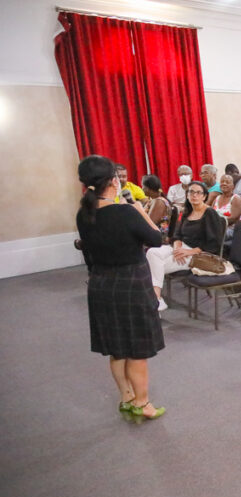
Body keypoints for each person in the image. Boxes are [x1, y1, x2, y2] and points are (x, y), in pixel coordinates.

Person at [76, 155, 166, 420]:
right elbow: (157, 239)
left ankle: (126, 397)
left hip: (100, 284)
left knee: (117, 347)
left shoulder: (84, 214)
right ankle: (143, 403)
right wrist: (139, 210)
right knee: (137, 349)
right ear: (114, 181)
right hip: (131, 283)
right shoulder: (125, 212)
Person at [146, 181, 224, 312]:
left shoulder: (210, 213)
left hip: (199, 254)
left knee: (155, 265)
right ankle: (157, 300)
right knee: (152, 253)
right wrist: (177, 247)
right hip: (181, 247)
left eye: (198, 192)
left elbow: (214, 244)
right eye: (191, 192)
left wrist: (189, 252)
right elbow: (177, 235)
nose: (194, 195)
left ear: (204, 196)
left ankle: (155, 299)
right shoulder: (188, 212)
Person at [212, 174, 241, 239]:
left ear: (233, 186)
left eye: (227, 182)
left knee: (209, 233)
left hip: (231, 229)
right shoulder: (217, 198)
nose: (224, 183)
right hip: (216, 227)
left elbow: (233, 219)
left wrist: (215, 224)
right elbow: (211, 214)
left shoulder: (236, 199)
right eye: (222, 182)